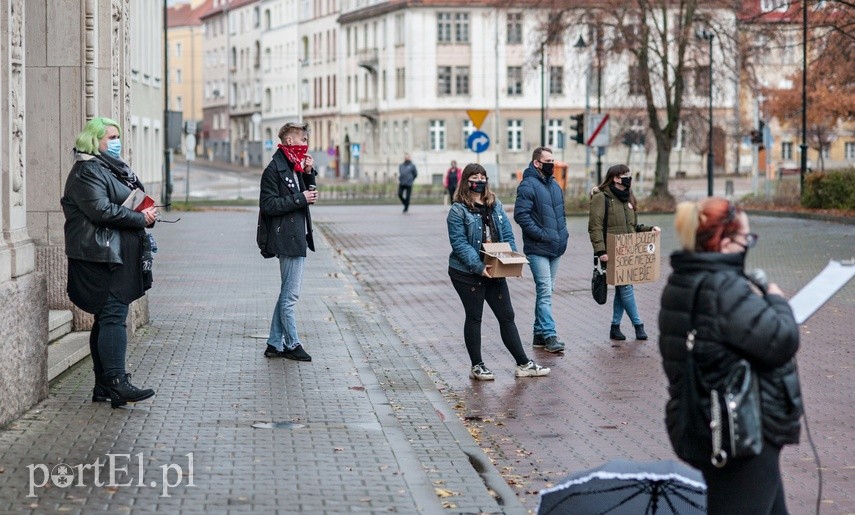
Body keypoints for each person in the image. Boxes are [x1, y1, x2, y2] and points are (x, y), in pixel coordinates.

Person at [659, 197, 802, 514]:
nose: (748, 246)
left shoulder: (683, 280)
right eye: (746, 239)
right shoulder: (725, 288)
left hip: (710, 424)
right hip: (741, 432)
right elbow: (782, 340)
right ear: (724, 242)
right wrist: (777, 302)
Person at [61, 117, 157, 409]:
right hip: (98, 256)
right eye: (110, 137)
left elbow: (124, 201)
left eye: (117, 136)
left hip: (114, 254)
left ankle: (104, 386)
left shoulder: (110, 168)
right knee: (113, 316)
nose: (116, 142)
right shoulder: (87, 170)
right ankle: (118, 382)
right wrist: (141, 218)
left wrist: (146, 212)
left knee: (106, 318)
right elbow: (101, 210)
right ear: (95, 140)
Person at [447, 163, 550, 380]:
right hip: (466, 273)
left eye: (483, 176)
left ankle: (523, 363)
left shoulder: (495, 205)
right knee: (475, 317)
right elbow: (460, 244)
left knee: (507, 315)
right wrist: (478, 267)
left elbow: (507, 236)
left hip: (494, 269)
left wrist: (511, 264)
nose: (480, 180)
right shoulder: (458, 210)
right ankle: (477, 366)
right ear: (466, 181)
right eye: (475, 177)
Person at [258, 122, 319, 362]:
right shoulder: (274, 169)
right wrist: (299, 198)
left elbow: (305, 193)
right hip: (286, 237)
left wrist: (308, 173)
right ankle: (292, 343)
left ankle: (274, 344)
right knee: (290, 296)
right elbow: (268, 205)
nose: (306, 145)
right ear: (290, 141)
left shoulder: (294, 165)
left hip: (296, 235)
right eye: (303, 140)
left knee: (286, 293)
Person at [588, 164, 660, 341]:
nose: (628, 177)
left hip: (629, 251)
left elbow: (633, 226)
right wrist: (600, 250)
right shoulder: (601, 198)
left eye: (629, 174)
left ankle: (615, 327)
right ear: (615, 178)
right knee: (626, 287)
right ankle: (638, 325)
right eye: (624, 175)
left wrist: (649, 229)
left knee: (623, 287)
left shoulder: (629, 197)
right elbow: (595, 227)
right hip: (612, 251)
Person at [513, 147, 568, 353]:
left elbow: (562, 214)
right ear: (537, 163)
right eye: (548, 160)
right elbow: (521, 215)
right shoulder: (528, 185)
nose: (552, 164)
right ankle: (550, 335)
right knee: (545, 291)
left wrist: (563, 235)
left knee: (547, 291)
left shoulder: (554, 186)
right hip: (538, 247)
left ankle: (538, 334)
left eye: (553, 160)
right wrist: (542, 234)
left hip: (556, 247)